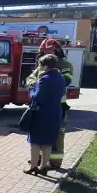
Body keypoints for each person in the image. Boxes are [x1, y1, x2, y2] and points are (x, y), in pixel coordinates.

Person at [26, 39, 73, 169]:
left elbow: (67, 80)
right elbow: (30, 78)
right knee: (42, 136)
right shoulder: (41, 67)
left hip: (59, 106)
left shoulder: (65, 65)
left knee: (57, 135)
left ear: (57, 51)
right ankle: (40, 161)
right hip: (43, 107)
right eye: (44, 52)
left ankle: (55, 162)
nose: (46, 54)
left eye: (49, 51)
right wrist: (36, 83)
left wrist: (45, 81)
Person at [24, 54, 67, 176]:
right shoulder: (60, 77)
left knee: (35, 142)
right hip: (55, 114)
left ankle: (33, 167)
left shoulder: (45, 79)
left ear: (46, 66)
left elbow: (37, 97)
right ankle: (43, 167)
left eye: (41, 66)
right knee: (48, 143)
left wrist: (31, 88)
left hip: (42, 115)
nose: (40, 68)